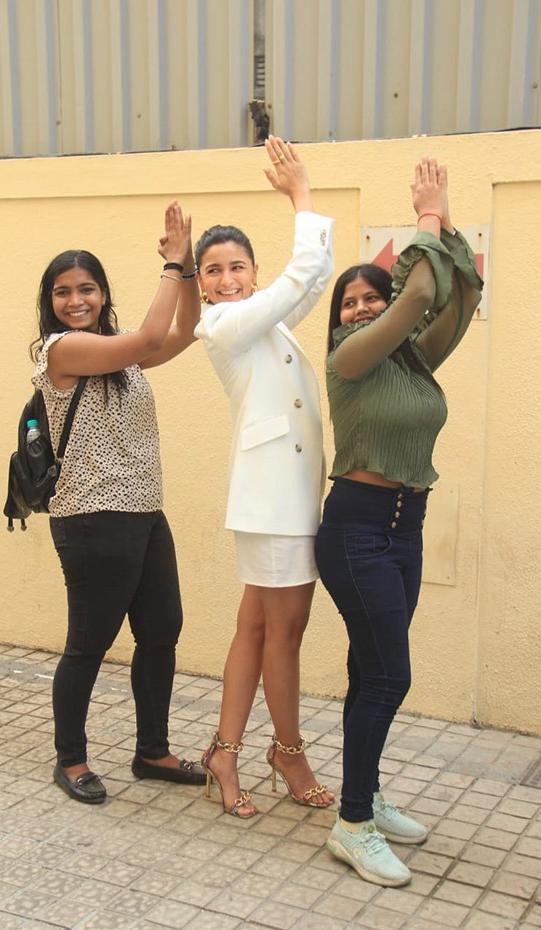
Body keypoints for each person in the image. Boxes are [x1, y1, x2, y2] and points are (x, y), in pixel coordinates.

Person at [315, 158, 483, 884]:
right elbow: (418, 287)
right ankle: (352, 824)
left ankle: (367, 796)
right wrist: (424, 217)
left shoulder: (415, 361)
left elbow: (459, 297)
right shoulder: (349, 361)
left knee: (367, 670)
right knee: (390, 675)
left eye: (368, 297)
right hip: (355, 531)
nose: (359, 307)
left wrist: (445, 229)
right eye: (349, 300)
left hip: (404, 529)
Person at [30, 202, 207, 803]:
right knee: (90, 641)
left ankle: (152, 751)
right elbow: (154, 335)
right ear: (50, 301)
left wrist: (185, 274)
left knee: (162, 631)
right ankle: (71, 759)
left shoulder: (123, 355)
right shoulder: (57, 350)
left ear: (104, 293)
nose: (75, 299)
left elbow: (182, 331)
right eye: (62, 291)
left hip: (144, 513)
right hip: (90, 518)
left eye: (86, 288)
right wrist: (174, 262)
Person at [194, 137, 335, 817]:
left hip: (285, 501)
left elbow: (310, 278)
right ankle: (288, 750)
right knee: (286, 633)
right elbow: (293, 279)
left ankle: (224, 750)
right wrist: (301, 197)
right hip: (272, 505)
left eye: (236, 267)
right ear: (201, 283)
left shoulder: (267, 323)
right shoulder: (224, 325)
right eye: (213, 270)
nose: (226, 279)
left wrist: (306, 214)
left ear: (251, 271)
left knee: (257, 630)